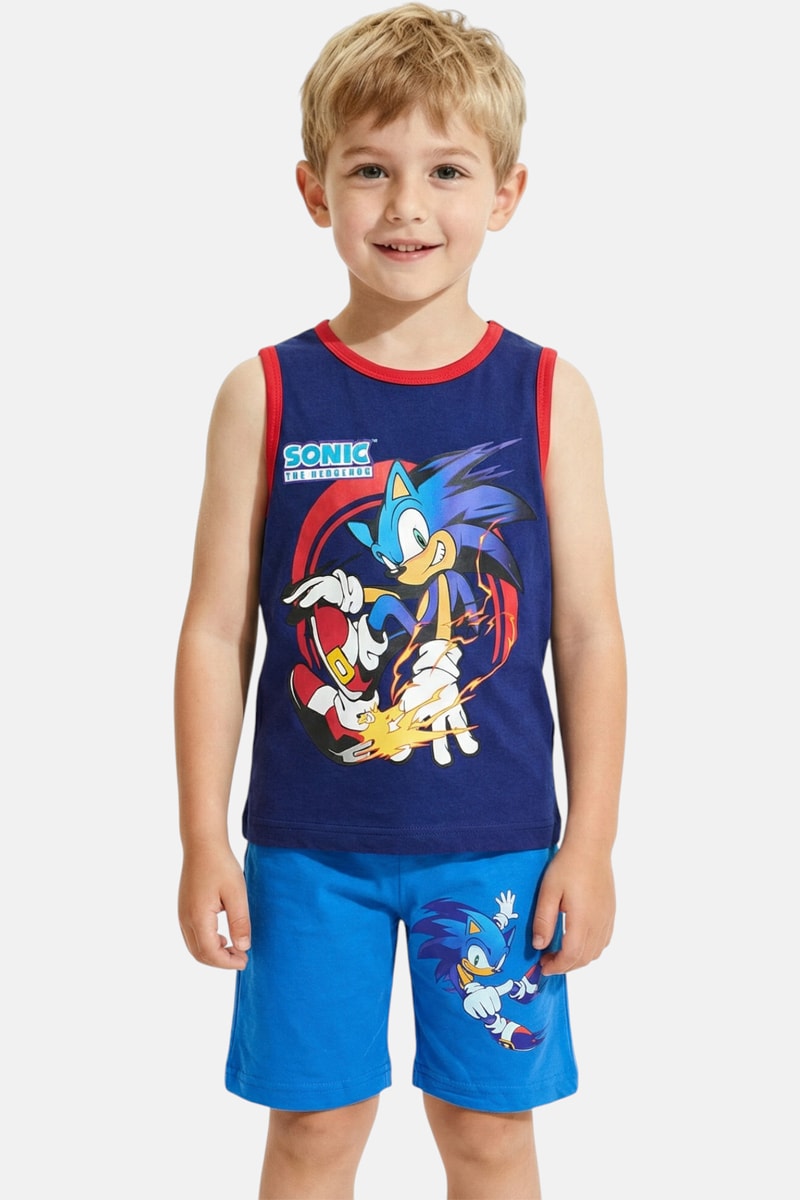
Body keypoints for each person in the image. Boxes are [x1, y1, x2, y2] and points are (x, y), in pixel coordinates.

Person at [175, 5, 626, 1197]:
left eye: (446, 171)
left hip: (495, 851)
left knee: (486, 1134)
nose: (405, 206)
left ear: (507, 192)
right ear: (313, 190)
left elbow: (586, 634)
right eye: (369, 170)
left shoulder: (547, 394)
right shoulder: (264, 392)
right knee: (313, 1133)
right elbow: (215, 632)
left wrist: (589, 842)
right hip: (304, 854)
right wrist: (200, 837)